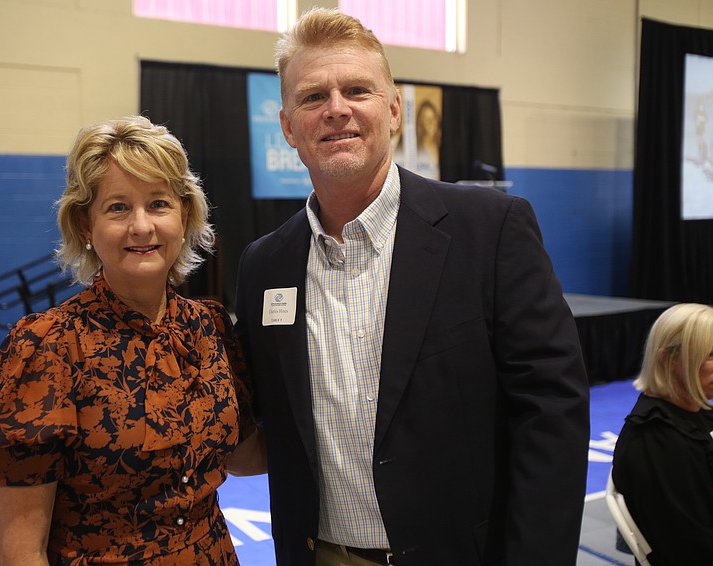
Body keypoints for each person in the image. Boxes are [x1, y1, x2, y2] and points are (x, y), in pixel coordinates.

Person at [233, 8, 590, 566]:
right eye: (312, 97)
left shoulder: (490, 230)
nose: (337, 110)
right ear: (287, 126)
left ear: (395, 109)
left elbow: (551, 410)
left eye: (357, 90)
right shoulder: (263, 266)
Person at [0, 115, 264, 564]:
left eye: (159, 203)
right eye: (118, 207)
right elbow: (17, 550)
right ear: (86, 226)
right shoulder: (48, 347)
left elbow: (243, 457)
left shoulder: (210, 329)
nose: (141, 226)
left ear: (185, 216)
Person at [611, 303, 713, 565]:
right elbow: (692, 547)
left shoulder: (687, 411)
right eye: (710, 355)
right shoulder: (660, 440)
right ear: (668, 359)